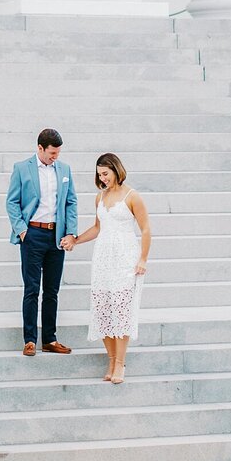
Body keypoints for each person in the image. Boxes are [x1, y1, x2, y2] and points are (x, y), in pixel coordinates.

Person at [71, 152, 150, 384]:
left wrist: (143, 259)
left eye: (105, 173)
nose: (103, 178)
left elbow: (146, 229)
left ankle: (120, 364)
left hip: (125, 257)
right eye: (99, 175)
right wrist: (75, 240)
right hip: (103, 258)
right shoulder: (100, 197)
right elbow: (97, 228)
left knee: (121, 311)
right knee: (103, 310)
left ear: (116, 169)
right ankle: (111, 359)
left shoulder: (132, 196)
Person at [6, 127, 78, 357]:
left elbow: (71, 202)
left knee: (52, 290)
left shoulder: (65, 169)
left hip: (56, 236)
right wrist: (22, 231)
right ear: (40, 148)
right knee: (31, 288)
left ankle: (50, 339)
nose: (55, 157)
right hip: (33, 234)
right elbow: (12, 202)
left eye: (57, 153)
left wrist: (71, 233)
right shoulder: (21, 168)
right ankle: (29, 340)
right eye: (51, 153)